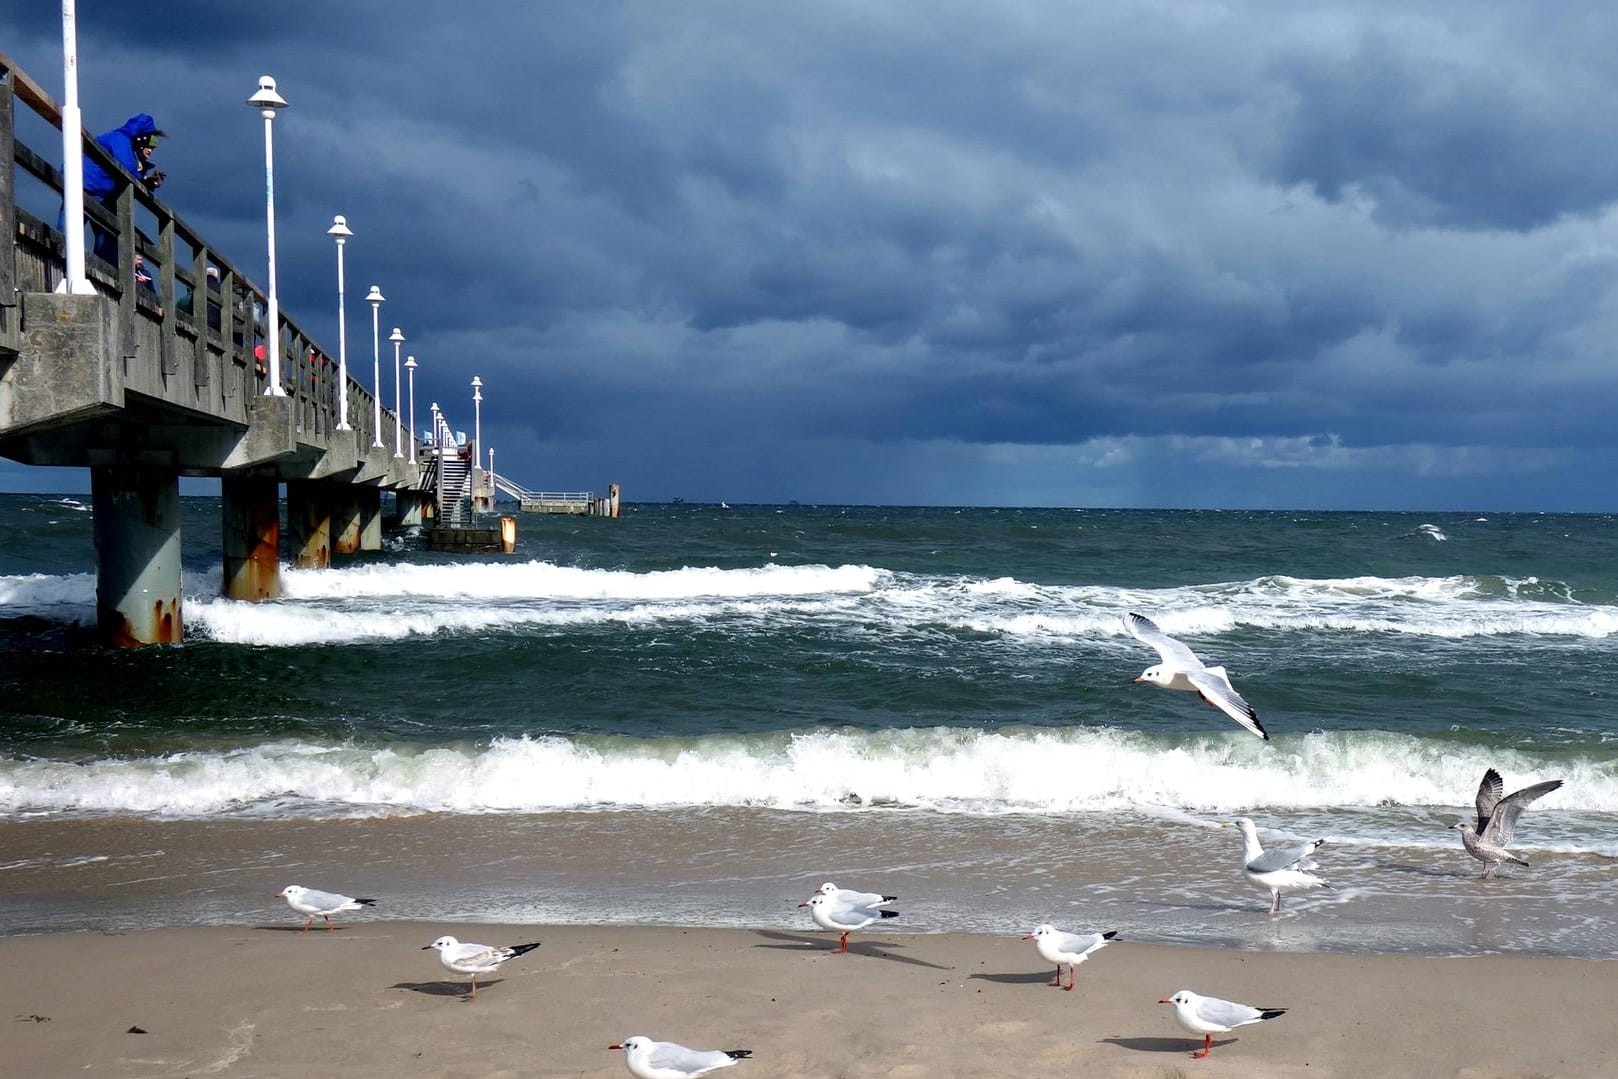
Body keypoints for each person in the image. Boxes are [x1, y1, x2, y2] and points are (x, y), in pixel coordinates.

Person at [76, 113, 167, 264]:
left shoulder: (131, 151)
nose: (151, 150)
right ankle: (60, 259)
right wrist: (144, 180)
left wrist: (148, 182)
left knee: (109, 233)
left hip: (102, 192)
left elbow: (131, 175)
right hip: (88, 184)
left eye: (154, 145)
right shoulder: (120, 140)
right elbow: (127, 169)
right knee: (72, 224)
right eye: (150, 143)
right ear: (140, 137)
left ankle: (104, 270)